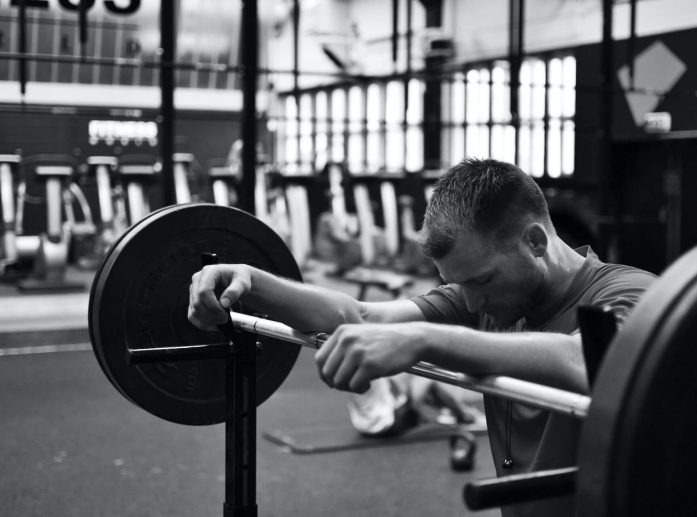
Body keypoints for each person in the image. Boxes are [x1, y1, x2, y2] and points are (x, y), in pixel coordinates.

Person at [188, 158, 657, 517]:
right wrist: (252, 280)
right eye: (462, 285)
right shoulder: (492, 297)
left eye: (482, 281)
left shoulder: (629, 292)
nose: (471, 304)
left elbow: (588, 359)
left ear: (535, 242)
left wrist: (426, 340)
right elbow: (363, 317)